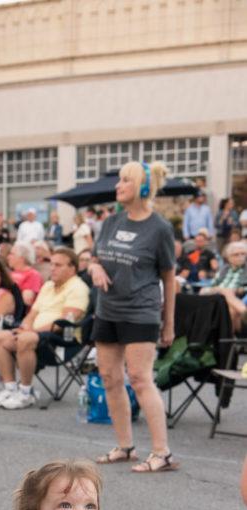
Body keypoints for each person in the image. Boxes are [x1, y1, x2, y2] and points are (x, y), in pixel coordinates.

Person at [90, 161, 178, 472]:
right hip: (108, 311)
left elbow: (169, 278)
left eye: (125, 181)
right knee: (110, 379)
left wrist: (169, 323)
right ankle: (125, 446)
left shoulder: (159, 229)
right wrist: (95, 267)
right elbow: (94, 258)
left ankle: (161, 452)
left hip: (141, 312)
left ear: (142, 188)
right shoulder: (111, 222)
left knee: (140, 379)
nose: (118, 186)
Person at [0, 248, 89, 410]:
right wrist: (25, 326)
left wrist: (31, 332)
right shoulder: (48, 286)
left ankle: (26, 393)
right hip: (36, 336)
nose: (52, 268)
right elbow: (32, 314)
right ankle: (10, 389)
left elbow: (66, 321)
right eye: (52, 264)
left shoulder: (78, 287)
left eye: (58, 265)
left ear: (72, 268)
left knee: (26, 338)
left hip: (61, 340)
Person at [201, 240, 247, 333]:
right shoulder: (223, 270)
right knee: (226, 292)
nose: (240, 257)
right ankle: (244, 312)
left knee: (232, 311)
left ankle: (230, 343)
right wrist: (219, 290)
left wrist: (238, 290)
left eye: (243, 254)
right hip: (216, 298)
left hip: (236, 299)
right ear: (228, 257)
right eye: (236, 254)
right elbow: (207, 288)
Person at [7, 242, 43, 308]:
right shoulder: (10, 273)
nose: (8, 257)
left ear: (21, 258)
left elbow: (26, 301)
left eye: (11, 254)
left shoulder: (33, 275)